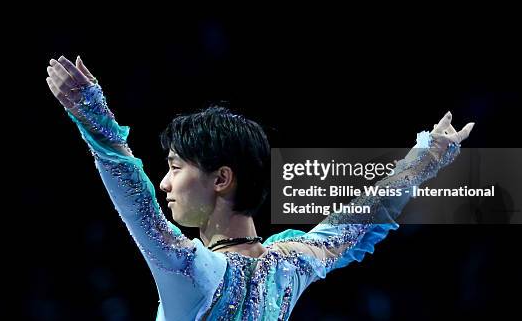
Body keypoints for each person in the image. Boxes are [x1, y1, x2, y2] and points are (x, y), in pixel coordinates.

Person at [46, 55, 474, 320]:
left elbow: (136, 201)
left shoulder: (192, 271)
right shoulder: (293, 264)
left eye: (175, 166)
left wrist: (93, 114)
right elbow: (358, 218)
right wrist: (426, 160)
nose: (164, 182)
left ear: (221, 178)